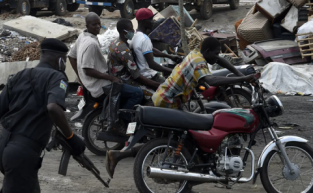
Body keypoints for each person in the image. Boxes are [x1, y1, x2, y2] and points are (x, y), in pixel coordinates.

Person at [105, 37, 255, 178]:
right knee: (178, 141)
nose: (217, 57)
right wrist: (241, 79)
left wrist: (239, 73)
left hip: (164, 98)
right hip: (167, 102)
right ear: (208, 51)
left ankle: (117, 155)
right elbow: (211, 80)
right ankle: (186, 177)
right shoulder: (198, 62)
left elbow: (220, 60)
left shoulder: (197, 53)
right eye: (215, 53)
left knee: (166, 142)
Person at [0, 38, 86, 193]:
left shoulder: (19, 76)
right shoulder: (57, 77)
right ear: (61, 60)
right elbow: (53, 108)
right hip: (22, 153)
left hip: (2, 146)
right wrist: (71, 137)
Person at [68, 12, 143, 122]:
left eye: (99, 24)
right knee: (138, 93)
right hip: (101, 87)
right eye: (94, 25)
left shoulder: (82, 36)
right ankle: (122, 121)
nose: (98, 27)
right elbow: (88, 70)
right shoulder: (91, 44)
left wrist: (81, 78)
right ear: (87, 26)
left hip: (92, 83)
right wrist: (112, 78)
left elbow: (71, 56)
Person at [108, 18, 160, 102]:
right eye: (130, 29)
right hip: (124, 81)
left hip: (115, 76)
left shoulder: (114, 42)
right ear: (124, 32)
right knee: (153, 97)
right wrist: (157, 85)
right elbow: (137, 76)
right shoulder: (124, 51)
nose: (133, 30)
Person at [130, 8, 182, 83]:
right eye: (151, 19)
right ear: (143, 21)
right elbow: (152, 64)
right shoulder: (145, 39)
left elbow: (151, 50)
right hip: (148, 75)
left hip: (141, 73)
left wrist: (170, 56)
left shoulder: (135, 34)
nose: (153, 22)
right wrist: (173, 71)